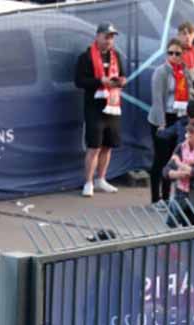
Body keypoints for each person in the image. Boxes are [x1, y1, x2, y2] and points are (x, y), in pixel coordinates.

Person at [76, 23, 126, 197]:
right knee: (94, 147)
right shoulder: (86, 57)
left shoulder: (116, 56)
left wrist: (120, 82)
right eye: (106, 36)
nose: (109, 40)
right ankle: (88, 182)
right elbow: (79, 81)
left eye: (112, 37)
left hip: (112, 106)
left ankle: (101, 179)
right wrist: (100, 81)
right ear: (97, 36)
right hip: (94, 107)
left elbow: (123, 75)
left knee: (107, 146)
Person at [148, 38, 194, 207]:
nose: (173, 56)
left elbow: (190, 91)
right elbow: (157, 100)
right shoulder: (161, 72)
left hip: (179, 118)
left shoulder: (184, 72)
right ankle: (155, 198)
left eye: (177, 53)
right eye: (170, 53)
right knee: (160, 159)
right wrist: (161, 124)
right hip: (162, 118)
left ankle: (167, 197)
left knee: (172, 159)